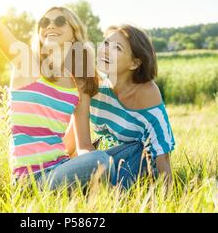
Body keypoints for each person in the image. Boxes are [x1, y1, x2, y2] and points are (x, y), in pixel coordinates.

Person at [0, 0, 114, 190]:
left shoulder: (79, 82)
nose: (50, 26)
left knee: (106, 157)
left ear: (74, 32)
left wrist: (91, 162)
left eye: (59, 21)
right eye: (44, 22)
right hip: (29, 180)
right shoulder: (26, 61)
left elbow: (83, 145)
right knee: (103, 160)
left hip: (61, 168)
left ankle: (96, 192)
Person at [64, 24, 175, 190]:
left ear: (134, 63)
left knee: (138, 148)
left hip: (139, 163)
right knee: (89, 160)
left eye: (117, 48)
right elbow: (73, 138)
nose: (106, 50)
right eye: (106, 43)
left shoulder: (148, 93)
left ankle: (107, 192)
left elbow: (162, 154)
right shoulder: (94, 85)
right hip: (107, 161)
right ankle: (91, 189)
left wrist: (167, 197)